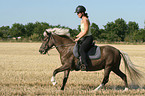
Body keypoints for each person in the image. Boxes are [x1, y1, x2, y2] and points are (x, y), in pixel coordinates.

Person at [74, 5, 93, 70]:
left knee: (82, 49)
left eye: (78, 13)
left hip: (88, 38)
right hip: (85, 37)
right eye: (77, 13)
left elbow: (85, 31)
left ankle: (85, 65)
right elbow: (82, 31)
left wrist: (79, 38)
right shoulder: (82, 20)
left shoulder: (85, 20)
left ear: (82, 13)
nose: (77, 14)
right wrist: (76, 36)